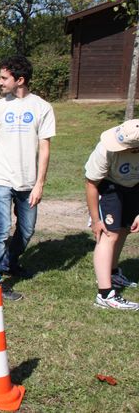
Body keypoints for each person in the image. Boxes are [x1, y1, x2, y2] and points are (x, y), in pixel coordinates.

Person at [0, 55, 55, 301]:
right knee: (1, 229)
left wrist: (40, 184)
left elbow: (44, 148)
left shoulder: (42, 107)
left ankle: (10, 262)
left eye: (4, 78)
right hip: (1, 177)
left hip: (28, 181)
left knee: (27, 230)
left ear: (19, 80)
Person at [85, 119, 139, 310]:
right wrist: (96, 220)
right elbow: (91, 183)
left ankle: (113, 273)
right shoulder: (104, 149)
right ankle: (105, 295)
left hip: (134, 187)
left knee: (125, 229)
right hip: (109, 187)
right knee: (109, 234)